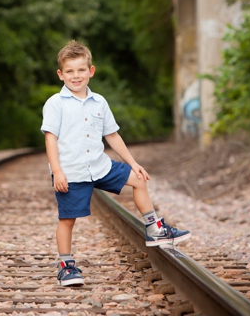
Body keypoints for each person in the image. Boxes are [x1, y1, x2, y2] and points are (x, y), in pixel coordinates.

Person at [41, 40, 190, 286]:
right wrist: (57, 171)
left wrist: (133, 162)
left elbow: (112, 136)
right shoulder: (55, 104)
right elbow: (51, 139)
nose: (75, 76)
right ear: (61, 74)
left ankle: (154, 228)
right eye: (69, 71)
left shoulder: (99, 102)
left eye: (80, 70)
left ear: (91, 71)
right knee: (67, 219)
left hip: (99, 165)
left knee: (138, 179)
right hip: (72, 171)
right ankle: (66, 266)